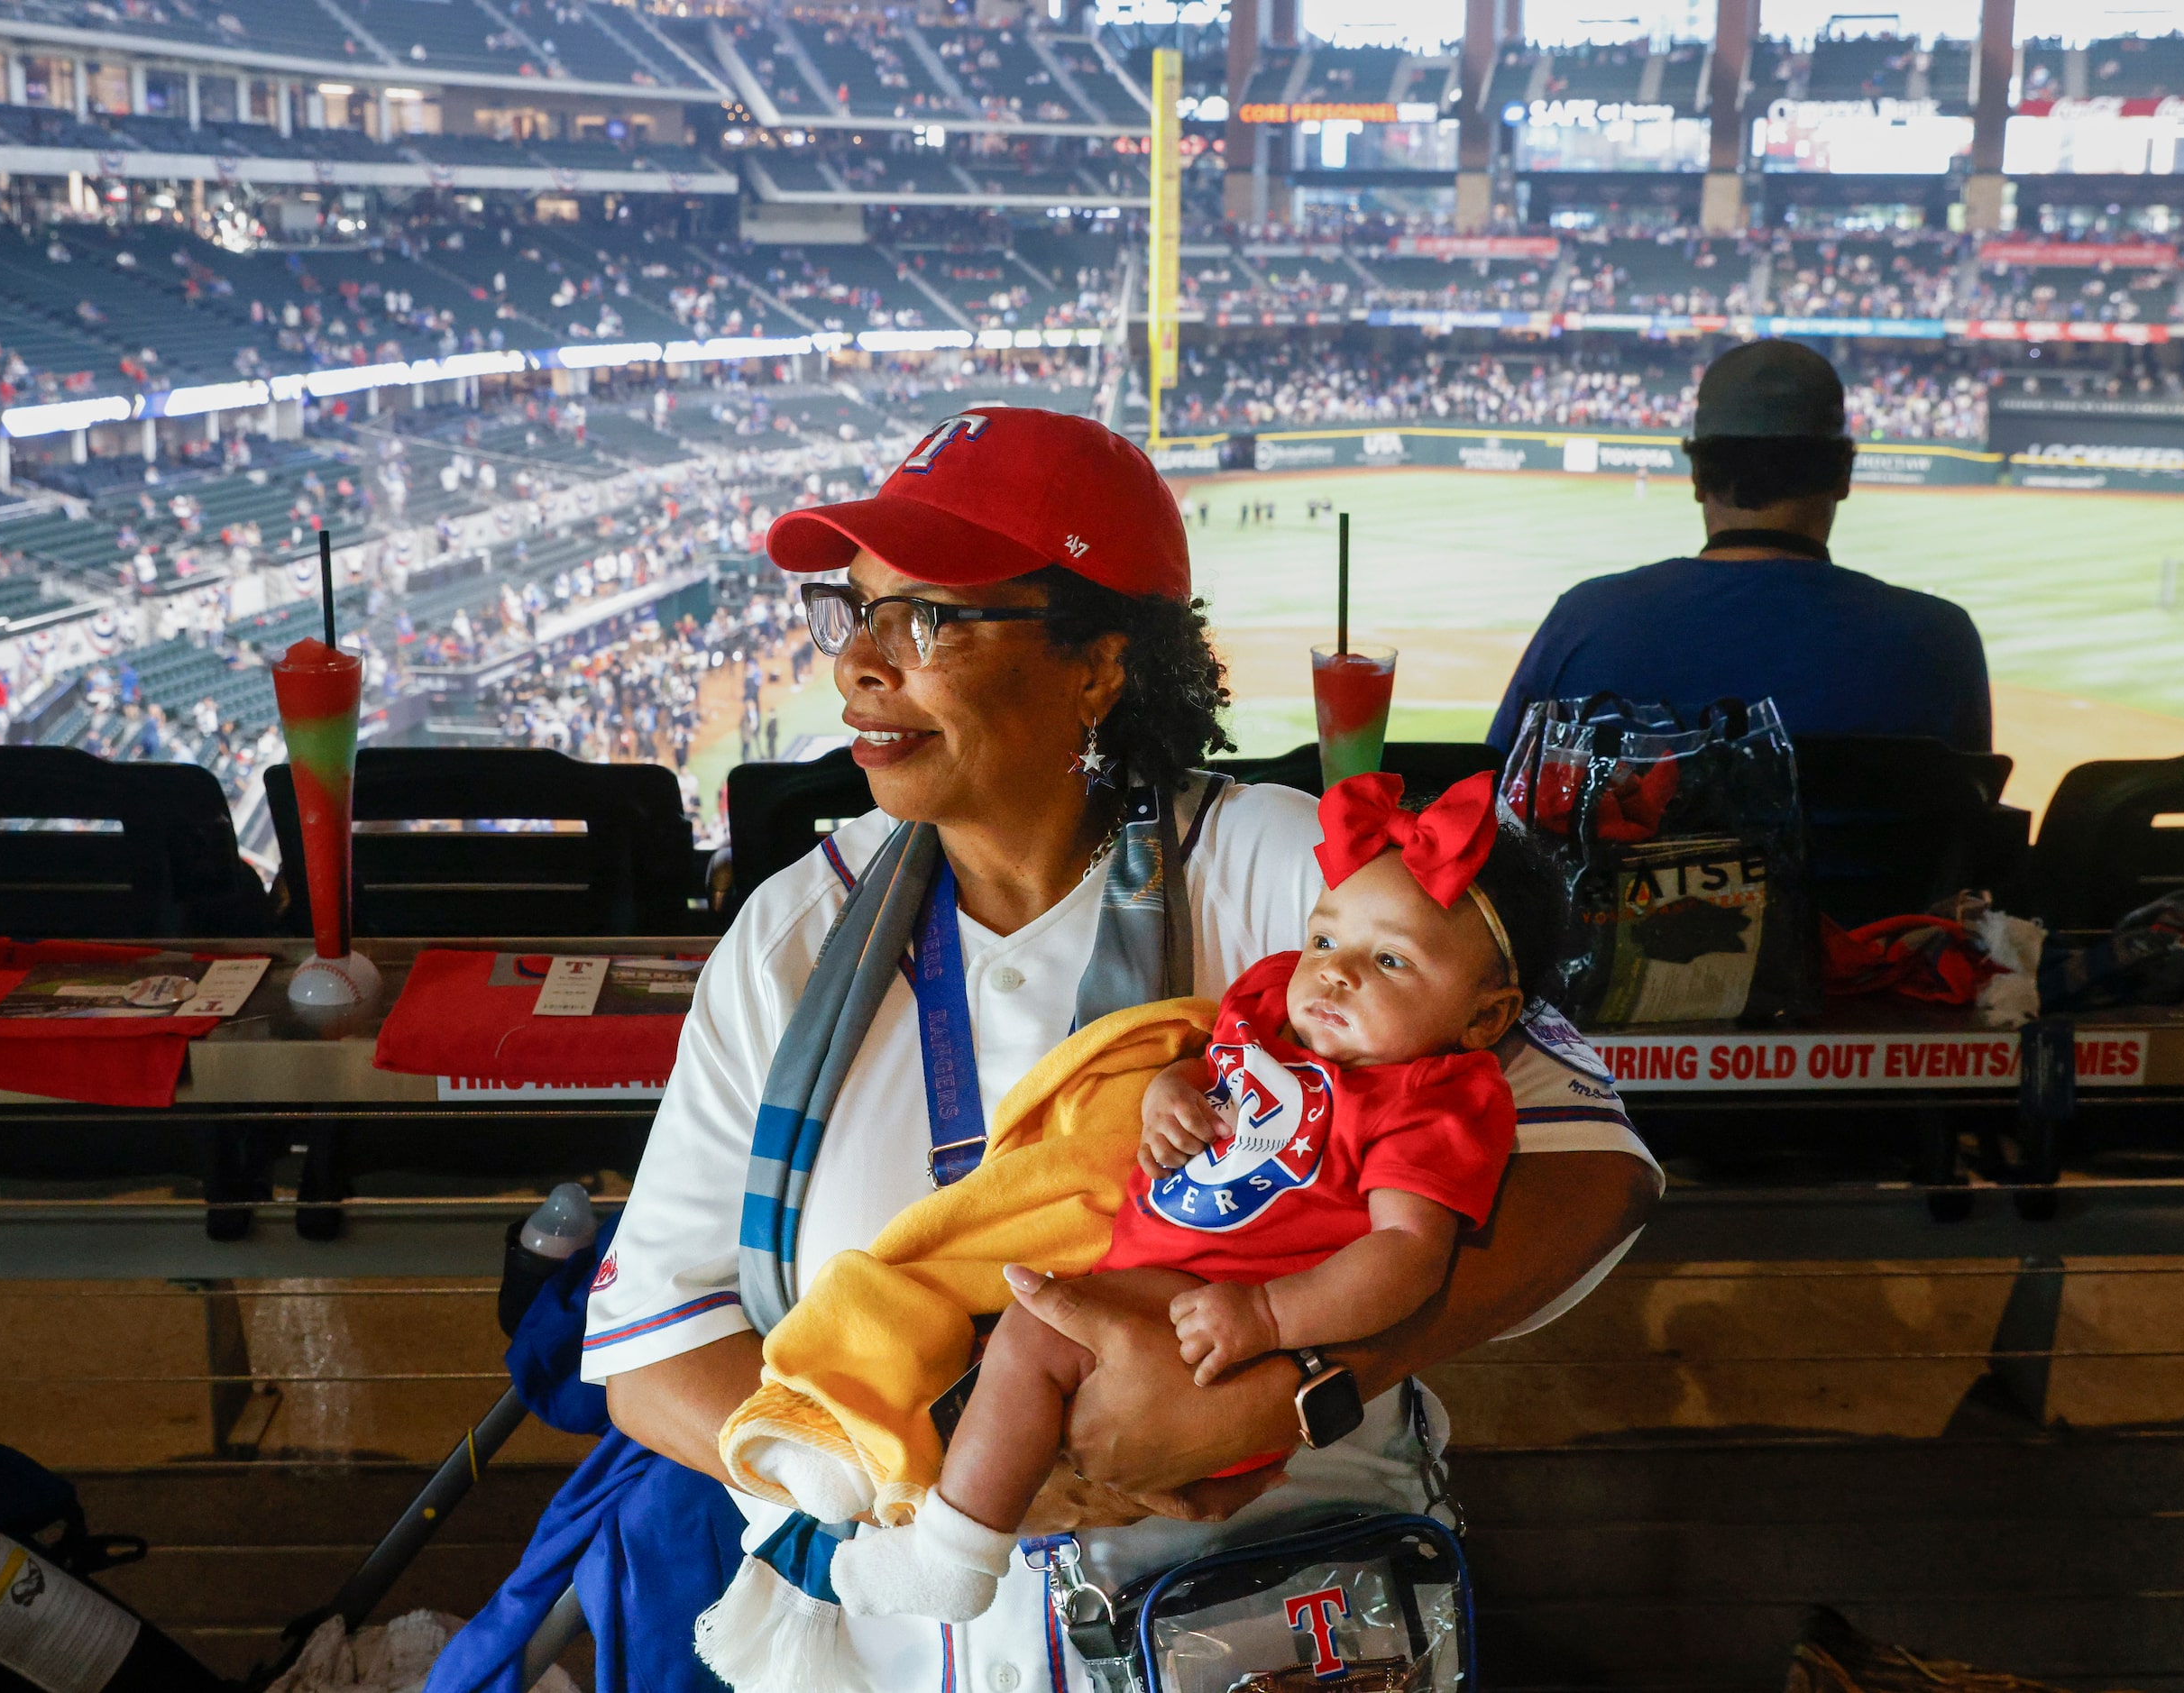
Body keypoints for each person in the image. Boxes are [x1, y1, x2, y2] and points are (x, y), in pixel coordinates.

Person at [577, 407, 1660, 1689]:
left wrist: (1290, 1383)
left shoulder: (1286, 872)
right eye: (849, 609)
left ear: (1096, 666)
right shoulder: (793, 935)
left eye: (925, 617)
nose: (859, 662)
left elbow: (1592, 1166)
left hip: (1266, 1624)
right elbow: (651, 1355)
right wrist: (961, 1473)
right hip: (907, 1652)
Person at [795, 773, 1540, 1629]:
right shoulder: (1274, 1009)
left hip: (1227, 1324)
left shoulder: (1433, 1099)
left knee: (1035, 1333)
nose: (1332, 976)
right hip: (1171, 1287)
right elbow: (1210, 1065)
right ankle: (861, 1445)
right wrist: (1169, 1091)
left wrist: (1266, 1316)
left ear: (1487, 1019)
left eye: (1390, 961)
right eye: (1325, 938)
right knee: (963, 1314)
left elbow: (1407, 1256)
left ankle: (953, 1554)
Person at [1489, 340, 1991, 752]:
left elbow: (1488, 805)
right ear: (1843, 473)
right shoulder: (1940, 640)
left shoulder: (1584, 621)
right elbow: (1969, 837)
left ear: (1697, 476)